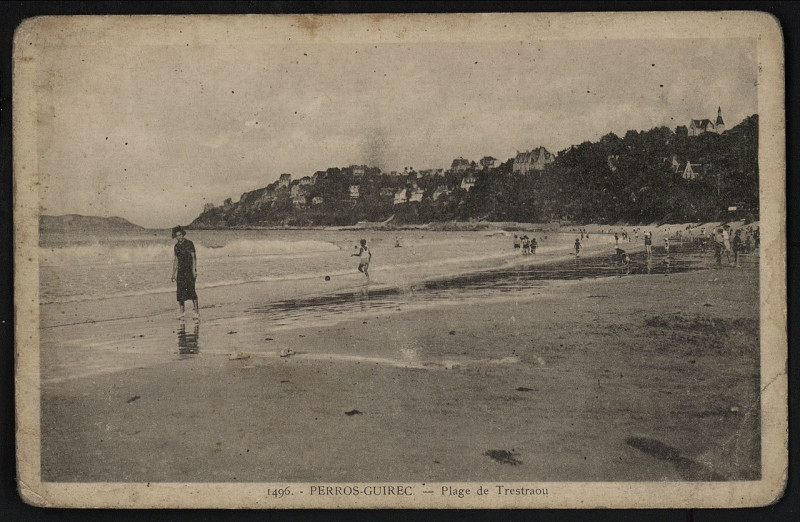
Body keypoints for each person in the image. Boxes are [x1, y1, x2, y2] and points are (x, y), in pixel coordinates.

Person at [171, 226, 199, 320]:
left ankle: (196, 312)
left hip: (189, 270)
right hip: (180, 271)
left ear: (183, 234)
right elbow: (176, 260)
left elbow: (194, 257)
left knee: (192, 290)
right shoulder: (176, 246)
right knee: (180, 292)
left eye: (180, 235)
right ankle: (182, 312)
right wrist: (173, 274)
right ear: (175, 237)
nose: (179, 237)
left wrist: (194, 270)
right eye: (177, 236)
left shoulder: (189, 243)